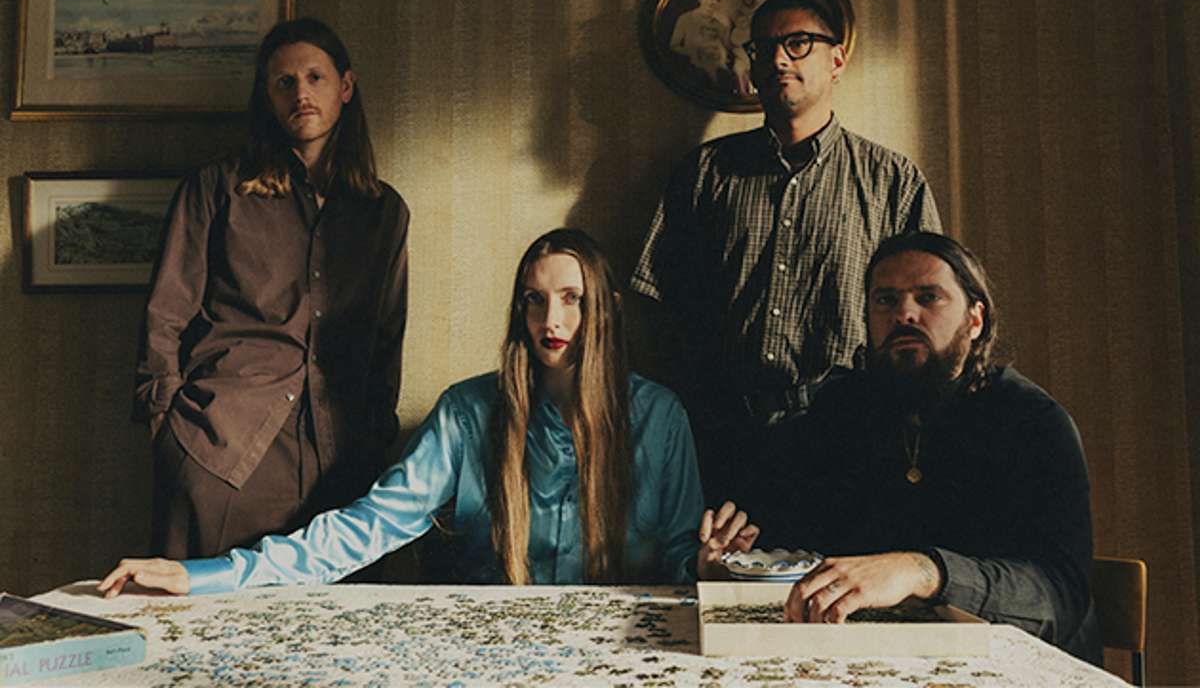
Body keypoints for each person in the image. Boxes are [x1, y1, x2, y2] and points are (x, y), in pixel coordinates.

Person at [102, 229, 747, 595]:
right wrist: (204, 574)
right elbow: (365, 528)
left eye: (571, 299)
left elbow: (675, 555)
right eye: (534, 299)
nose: (551, 319)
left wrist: (707, 565)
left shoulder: (659, 416)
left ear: (605, 309)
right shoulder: (469, 413)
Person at [713, 232, 1101, 663]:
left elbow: (1060, 594)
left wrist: (923, 571)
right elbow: (800, 538)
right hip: (878, 660)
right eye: (886, 300)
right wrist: (737, 560)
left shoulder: (1032, 421)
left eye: (928, 297)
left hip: (1011, 666)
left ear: (975, 320)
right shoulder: (841, 410)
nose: (904, 314)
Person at [633, 0, 941, 509]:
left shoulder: (892, 180)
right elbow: (664, 313)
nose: (778, 59)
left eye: (797, 43)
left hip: (851, 439)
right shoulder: (705, 173)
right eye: (763, 48)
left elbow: (925, 318)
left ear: (836, 60)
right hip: (720, 441)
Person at [133, 18, 410, 562]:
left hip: (342, 459)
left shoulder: (384, 212)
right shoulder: (217, 189)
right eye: (284, 82)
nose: (300, 93)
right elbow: (165, 313)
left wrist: (376, 436)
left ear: (345, 87)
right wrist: (166, 427)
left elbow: (387, 335)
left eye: (314, 77)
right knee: (200, 608)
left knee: (327, 614)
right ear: (267, 97)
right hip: (223, 447)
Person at [668, 0, 733, 86]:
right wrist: (695, 52)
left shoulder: (721, 23)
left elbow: (727, 46)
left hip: (717, 66)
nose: (710, 2)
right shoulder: (685, 19)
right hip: (693, 66)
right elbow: (674, 45)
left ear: (718, 1)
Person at [729, 0, 760, 96]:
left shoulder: (761, 11)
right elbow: (731, 38)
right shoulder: (734, 13)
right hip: (739, 50)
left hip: (757, 50)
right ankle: (743, 95)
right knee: (738, 68)